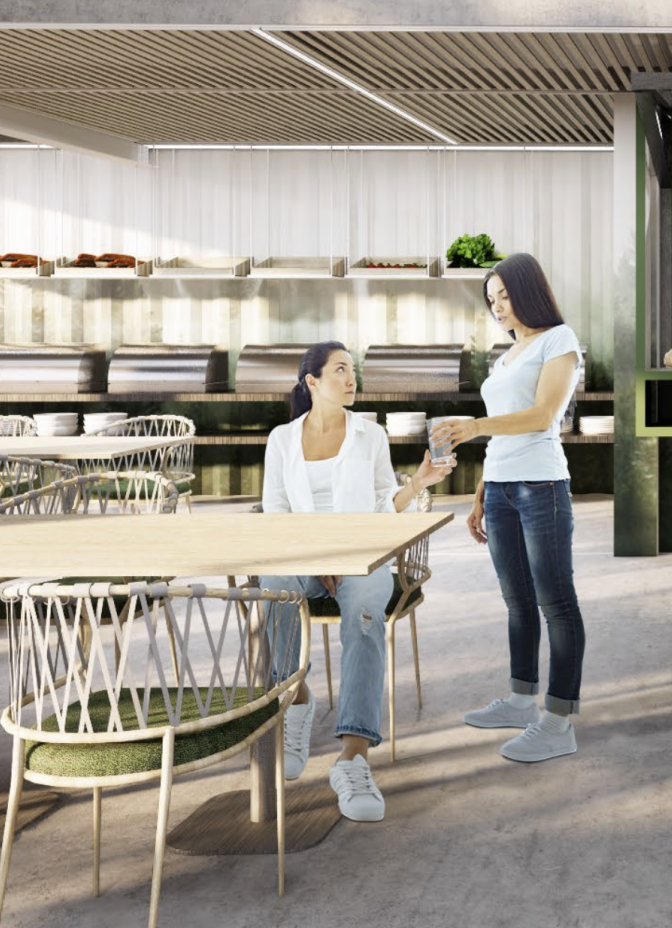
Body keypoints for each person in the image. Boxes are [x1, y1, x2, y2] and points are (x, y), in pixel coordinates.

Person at [261, 340, 451, 822]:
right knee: (271, 585)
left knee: (365, 617)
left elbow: (383, 504)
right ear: (312, 382)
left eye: (353, 371)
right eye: (341, 370)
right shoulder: (282, 440)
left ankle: (353, 758)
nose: (352, 379)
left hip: (364, 560)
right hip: (303, 557)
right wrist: (315, 553)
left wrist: (419, 483)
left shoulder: (371, 436)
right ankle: (297, 698)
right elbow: (275, 515)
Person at [427, 253, 586, 764]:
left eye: (505, 296)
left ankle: (558, 721)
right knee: (516, 600)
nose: (498, 307)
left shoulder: (559, 340)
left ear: (529, 291)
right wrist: (480, 491)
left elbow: (542, 416)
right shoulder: (505, 357)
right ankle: (521, 701)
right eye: (491, 300)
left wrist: (472, 427)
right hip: (500, 489)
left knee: (555, 601)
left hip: (541, 487)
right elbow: (501, 433)